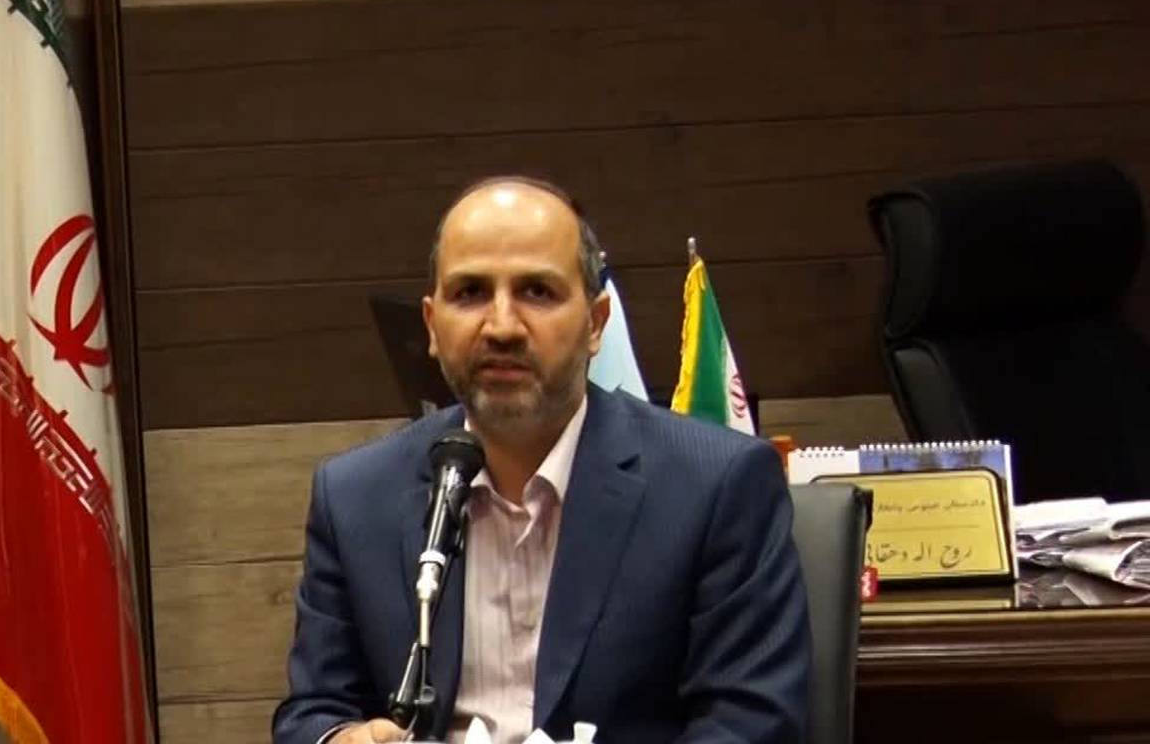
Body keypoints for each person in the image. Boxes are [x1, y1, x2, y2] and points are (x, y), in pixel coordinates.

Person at [273, 177, 810, 744]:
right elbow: (313, 712)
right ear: (431, 325)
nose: (502, 326)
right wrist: (342, 738)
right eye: (470, 293)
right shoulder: (354, 497)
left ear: (596, 323)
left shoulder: (716, 485)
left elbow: (752, 725)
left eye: (537, 292)